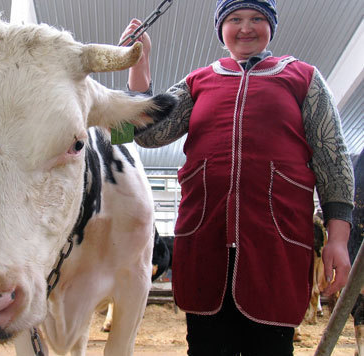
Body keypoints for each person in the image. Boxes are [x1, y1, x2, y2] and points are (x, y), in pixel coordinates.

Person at [120, 1, 355, 355]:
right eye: (235, 19)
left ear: (271, 26)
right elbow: (145, 134)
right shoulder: (199, 81)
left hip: (276, 244)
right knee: (205, 346)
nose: (246, 28)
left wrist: (338, 239)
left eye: (257, 18)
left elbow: (333, 159)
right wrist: (139, 65)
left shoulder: (303, 78)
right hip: (205, 240)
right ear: (221, 29)